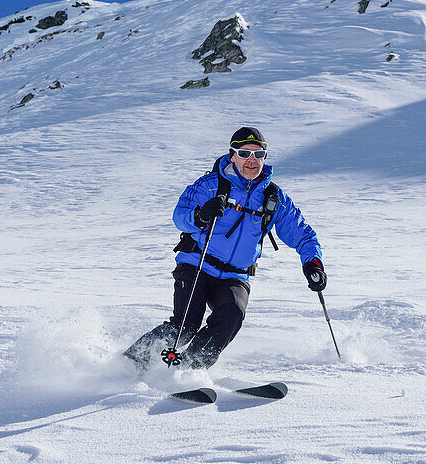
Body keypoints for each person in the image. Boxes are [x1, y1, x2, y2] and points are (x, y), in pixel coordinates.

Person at [123, 126, 326, 370]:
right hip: (197, 263)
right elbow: (180, 215)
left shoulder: (274, 198)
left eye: (258, 154)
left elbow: (303, 234)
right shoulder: (210, 185)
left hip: (235, 275)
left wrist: (312, 262)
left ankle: (189, 371)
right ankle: (130, 365)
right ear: (232, 155)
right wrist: (200, 216)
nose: (251, 160)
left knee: (232, 316)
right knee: (185, 325)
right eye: (244, 153)